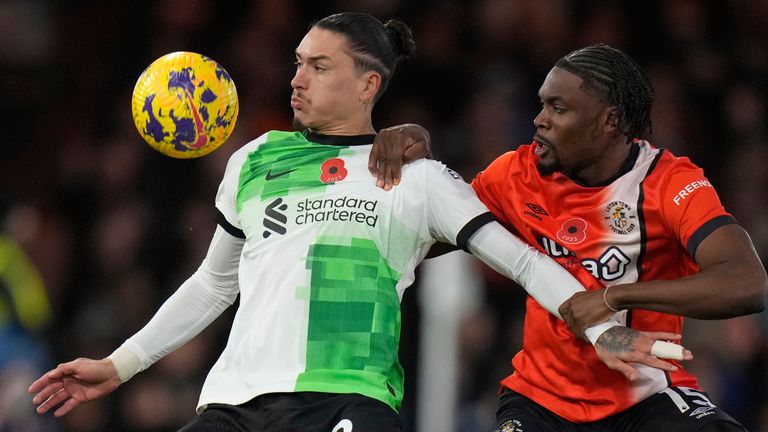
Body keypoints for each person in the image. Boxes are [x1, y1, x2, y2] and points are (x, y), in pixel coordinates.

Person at [29, 18, 686, 431]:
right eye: (296, 63)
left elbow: (520, 260)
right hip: (233, 405)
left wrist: (602, 328)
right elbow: (212, 285)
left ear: (369, 84)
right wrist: (120, 364)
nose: (297, 79)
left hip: (348, 405)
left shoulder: (417, 177)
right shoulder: (255, 161)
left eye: (317, 66)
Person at [371, 43, 768, 431]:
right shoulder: (516, 174)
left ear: (609, 121)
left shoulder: (668, 183)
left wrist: (616, 297)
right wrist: (420, 172)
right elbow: (437, 231)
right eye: (542, 104)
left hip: (643, 397)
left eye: (558, 109)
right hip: (539, 403)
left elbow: (747, 284)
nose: (539, 119)